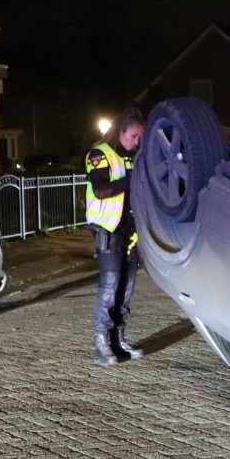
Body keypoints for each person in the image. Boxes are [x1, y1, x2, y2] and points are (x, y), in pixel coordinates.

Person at [86, 108, 147, 367]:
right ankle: (102, 342)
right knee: (110, 284)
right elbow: (100, 190)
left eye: (139, 138)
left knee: (127, 286)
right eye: (134, 136)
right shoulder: (99, 154)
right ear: (121, 130)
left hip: (130, 231)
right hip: (107, 229)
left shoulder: (135, 158)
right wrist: (132, 179)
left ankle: (118, 338)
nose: (136, 142)